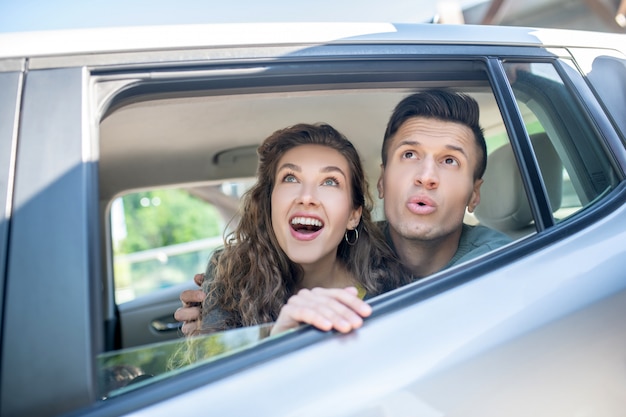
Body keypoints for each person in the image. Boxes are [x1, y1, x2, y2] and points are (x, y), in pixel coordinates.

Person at [176, 89, 512, 335]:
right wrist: (220, 334)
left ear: (474, 193)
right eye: (409, 155)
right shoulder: (233, 271)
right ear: (382, 182)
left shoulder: (503, 267)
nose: (426, 176)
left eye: (449, 160)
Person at [190, 122, 411, 336]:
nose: (306, 197)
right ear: (269, 203)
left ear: (353, 215)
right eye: (290, 178)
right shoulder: (229, 276)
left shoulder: (390, 293)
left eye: (330, 182)